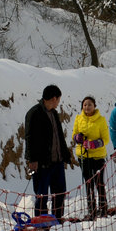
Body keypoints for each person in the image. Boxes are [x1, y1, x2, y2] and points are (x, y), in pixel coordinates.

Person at [24, 84, 72, 221]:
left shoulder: (54, 113)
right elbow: (29, 138)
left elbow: (59, 136)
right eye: (58, 99)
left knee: (60, 193)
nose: (58, 103)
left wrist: (66, 155)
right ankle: (41, 221)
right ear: (54, 98)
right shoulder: (34, 113)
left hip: (57, 161)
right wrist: (32, 159)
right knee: (42, 195)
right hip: (42, 163)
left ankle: (57, 219)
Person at [71, 95, 110, 219]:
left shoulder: (101, 120)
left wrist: (94, 144)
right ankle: (91, 209)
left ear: (94, 106)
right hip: (83, 156)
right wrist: (77, 138)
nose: (87, 107)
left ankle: (103, 208)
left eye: (89, 104)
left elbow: (106, 139)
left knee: (99, 182)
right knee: (88, 183)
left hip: (98, 156)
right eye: (85, 105)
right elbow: (74, 135)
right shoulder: (78, 119)